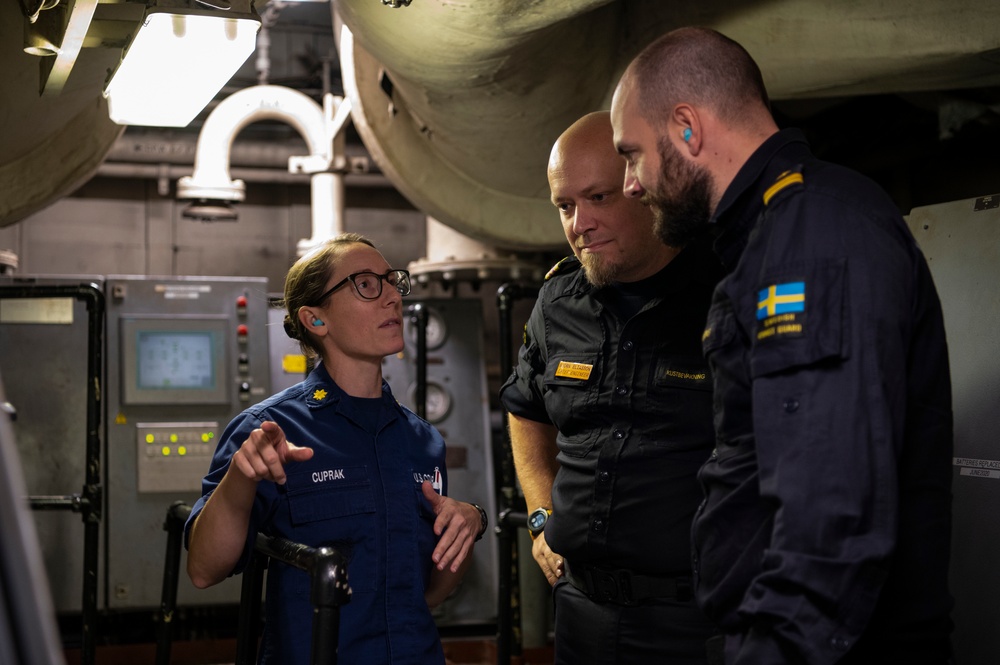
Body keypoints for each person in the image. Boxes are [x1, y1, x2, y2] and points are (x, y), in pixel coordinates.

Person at [610, 27, 954, 664]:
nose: (631, 183)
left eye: (631, 153)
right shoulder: (770, 237)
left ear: (686, 127)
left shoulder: (813, 234)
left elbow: (832, 508)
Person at [185, 233, 488, 665]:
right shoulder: (269, 432)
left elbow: (430, 592)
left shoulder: (422, 441)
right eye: (366, 284)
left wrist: (468, 523)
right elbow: (203, 570)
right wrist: (239, 479)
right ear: (316, 319)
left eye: (391, 281)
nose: (391, 298)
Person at [499, 111, 723, 664]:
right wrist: (539, 516)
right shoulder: (557, 304)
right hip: (580, 610)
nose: (579, 225)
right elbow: (525, 406)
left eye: (597, 198)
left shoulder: (727, 294)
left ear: (647, 190)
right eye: (565, 206)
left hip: (698, 619)